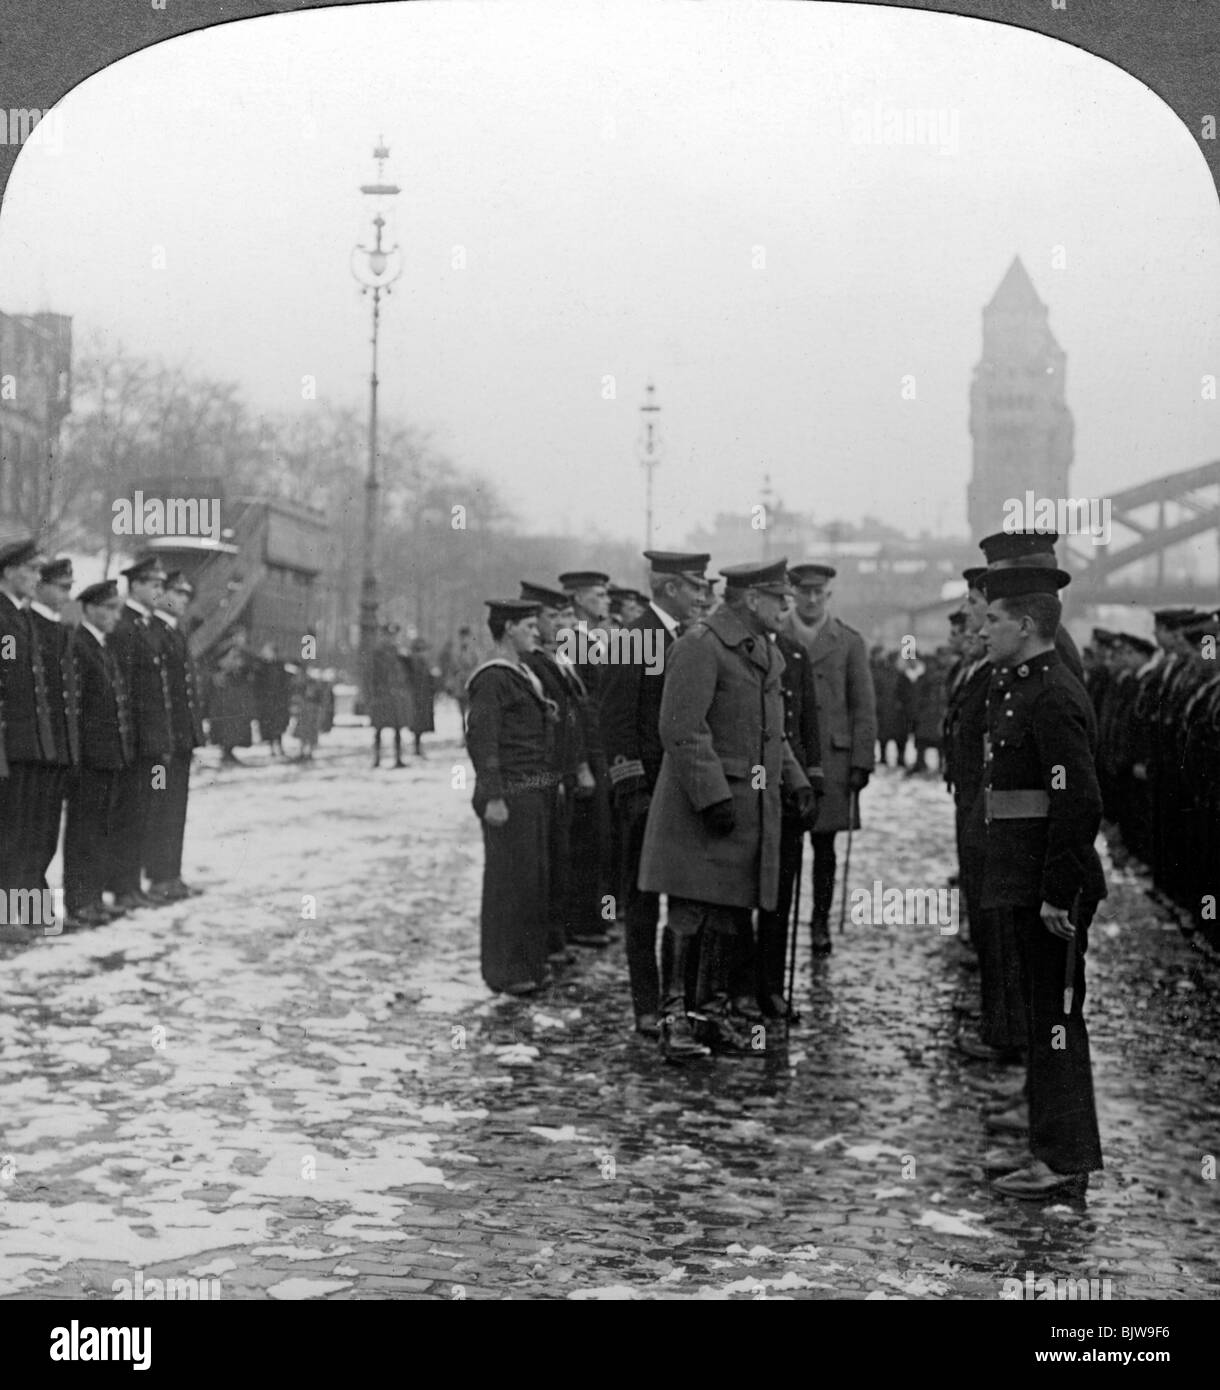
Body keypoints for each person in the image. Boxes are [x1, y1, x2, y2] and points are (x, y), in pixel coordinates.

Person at [638, 559, 816, 1058]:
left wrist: (797, 782)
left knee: (727, 915)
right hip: (702, 809)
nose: (789, 606)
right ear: (750, 600)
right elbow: (680, 728)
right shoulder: (700, 646)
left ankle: (710, 1015)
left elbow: (772, 735)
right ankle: (675, 1020)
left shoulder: (762, 653)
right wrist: (712, 794)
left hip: (745, 809)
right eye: (779, 598)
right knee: (689, 912)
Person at [977, 563, 1105, 1198]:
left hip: (1049, 888)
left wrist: (1059, 892)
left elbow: (1078, 801)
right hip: (1026, 878)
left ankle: (1064, 1160)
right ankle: (1049, 1147)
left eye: (994, 619)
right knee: (1043, 1017)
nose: (984, 629)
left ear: (1025, 624)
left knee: (1057, 1021)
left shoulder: (1052, 692)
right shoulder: (1024, 683)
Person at [600, 550, 710, 1036]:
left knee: (685, 897)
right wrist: (632, 790)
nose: (702, 596)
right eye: (694, 587)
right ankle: (646, 1003)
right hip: (647, 793)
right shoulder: (635, 638)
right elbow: (617, 721)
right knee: (643, 902)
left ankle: (680, 998)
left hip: (682, 790)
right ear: (669, 588)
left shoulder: (686, 638)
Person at [943, 566, 1026, 1062]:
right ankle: (1001, 1028)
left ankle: (1009, 1038)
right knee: (992, 928)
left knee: (1006, 934)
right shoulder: (996, 665)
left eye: (981, 608)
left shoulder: (1024, 671)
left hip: (1001, 820)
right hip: (981, 807)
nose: (976, 623)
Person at [782, 562, 877, 954]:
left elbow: (864, 706)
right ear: (793, 594)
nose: (811, 599)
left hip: (833, 760)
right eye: (804, 592)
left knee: (825, 847)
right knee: (785, 843)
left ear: (828, 596)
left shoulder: (848, 641)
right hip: (791, 754)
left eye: (818, 592)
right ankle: (779, 922)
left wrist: (861, 761)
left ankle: (819, 921)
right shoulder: (777, 633)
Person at [466, 598, 557, 995]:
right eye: (528, 626)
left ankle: (528, 965)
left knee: (530, 881)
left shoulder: (521, 675)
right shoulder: (493, 678)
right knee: (508, 883)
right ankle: (505, 970)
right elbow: (483, 741)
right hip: (510, 795)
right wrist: (493, 796)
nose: (536, 632)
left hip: (531, 792)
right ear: (507, 629)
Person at [753, 591, 824, 1019]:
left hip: (788, 782)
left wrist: (812, 780)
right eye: (777, 607)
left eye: (785, 608)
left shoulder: (795, 655)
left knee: (782, 890)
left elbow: (808, 723)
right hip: (753, 783)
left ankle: (772, 986)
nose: (782, 615)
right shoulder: (742, 651)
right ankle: (741, 986)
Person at [518, 580, 596, 963]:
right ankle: (548, 940)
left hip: (564, 770)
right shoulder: (532, 663)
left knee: (562, 854)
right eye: (553, 617)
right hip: (546, 774)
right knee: (547, 857)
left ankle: (557, 936)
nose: (562, 624)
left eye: (565, 616)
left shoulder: (559, 657)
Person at [63, 580, 133, 929]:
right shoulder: (81, 645)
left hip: (108, 756)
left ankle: (93, 897)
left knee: (100, 828)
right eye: (109, 608)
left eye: (118, 609)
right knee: (83, 831)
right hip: (90, 757)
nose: (115, 616)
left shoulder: (101, 646)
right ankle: (80, 901)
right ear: (90, 608)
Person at [106, 552, 174, 912]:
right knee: (129, 814)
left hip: (151, 742)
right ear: (134, 586)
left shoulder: (145, 626)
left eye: (162, 585)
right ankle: (122, 885)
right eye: (154, 585)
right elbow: (125, 689)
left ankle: (131, 884)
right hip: (135, 741)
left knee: (143, 812)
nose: (159, 591)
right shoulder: (125, 627)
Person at [557, 568, 615, 948]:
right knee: (587, 838)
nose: (606, 602)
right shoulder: (573, 642)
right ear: (578, 600)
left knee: (601, 837)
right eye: (598, 595)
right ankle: (583, 921)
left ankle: (595, 917)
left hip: (601, 745)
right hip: (589, 746)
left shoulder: (596, 639)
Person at [0, 536, 55, 903]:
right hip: (8, 742)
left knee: (21, 830)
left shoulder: (19, 616)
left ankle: (17, 912)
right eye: (32, 569)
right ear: (9, 571)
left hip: (25, 742)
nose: (38, 576)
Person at [148, 571, 205, 900]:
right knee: (160, 809)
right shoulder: (155, 632)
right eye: (178, 592)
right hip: (164, 741)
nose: (184, 599)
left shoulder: (175, 632)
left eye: (187, 594)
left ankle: (171, 874)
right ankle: (159, 876)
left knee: (175, 809)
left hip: (180, 739)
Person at [28, 557, 80, 895]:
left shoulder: (61, 631)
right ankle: (21, 912)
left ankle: (35, 910)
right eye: (61, 587)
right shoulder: (27, 625)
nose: (66, 594)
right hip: (32, 746)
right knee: (25, 835)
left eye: (69, 588)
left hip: (56, 747)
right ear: (40, 586)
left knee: (45, 835)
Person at [369, 623, 414, 768]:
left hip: (395, 696)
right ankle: (377, 759)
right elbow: (372, 675)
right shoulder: (378, 653)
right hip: (381, 695)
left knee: (397, 727)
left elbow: (405, 674)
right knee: (379, 728)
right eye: (388, 636)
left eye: (393, 636)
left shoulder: (399, 653)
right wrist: (373, 693)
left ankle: (398, 758)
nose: (391, 639)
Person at [253, 641, 294, 758]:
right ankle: (271, 748)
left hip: (278, 701)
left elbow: (285, 683)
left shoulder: (280, 665)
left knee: (279, 726)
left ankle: (280, 747)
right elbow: (257, 685)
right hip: (266, 702)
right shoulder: (261, 667)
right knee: (268, 726)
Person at [404, 637, 437, 757]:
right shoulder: (417, 661)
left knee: (419, 724)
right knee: (418, 723)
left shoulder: (419, 661)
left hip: (421, 696)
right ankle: (417, 747)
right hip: (418, 696)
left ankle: (417, 747)